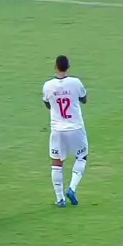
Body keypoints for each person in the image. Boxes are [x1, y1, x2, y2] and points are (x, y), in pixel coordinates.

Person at [42, 55, 88, 207]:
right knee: (81, 156)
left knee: (57, 162)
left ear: (55, 67)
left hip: (57, 129)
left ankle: (60, 198)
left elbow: (47, 104)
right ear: (68, 67)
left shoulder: (48, 85)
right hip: (75, 127)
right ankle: (72, 189)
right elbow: (84, 99)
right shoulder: (75, 82)